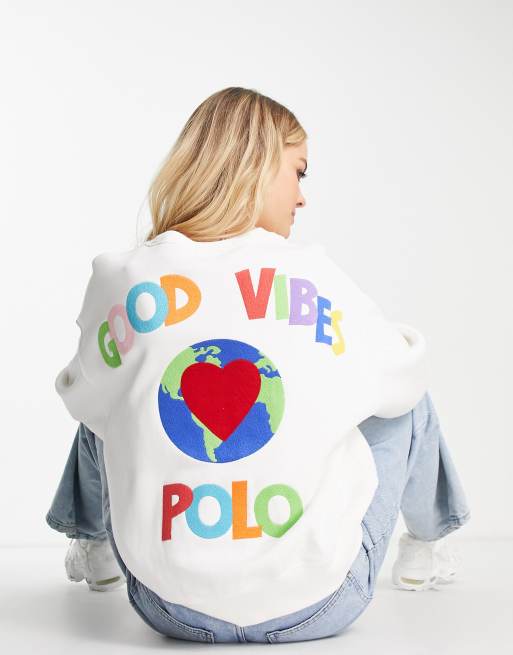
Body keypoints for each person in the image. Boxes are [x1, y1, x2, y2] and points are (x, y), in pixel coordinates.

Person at [46, 86, 471, 644]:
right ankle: (426, 549)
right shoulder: (312, 274)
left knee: (110, 394)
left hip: (165, 605)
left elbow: (78, 395)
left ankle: (94, 548)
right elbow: (404, 374)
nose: (302, 197)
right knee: (404, 398)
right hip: (321, 602)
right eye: (299, 172)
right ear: (257, 168)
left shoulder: (125, 276)